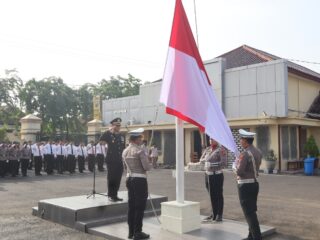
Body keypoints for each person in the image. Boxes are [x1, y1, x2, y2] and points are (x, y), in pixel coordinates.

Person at [122, 128, 151, 240]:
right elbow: (147, 167)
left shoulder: (125, 151)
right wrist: (148, 159)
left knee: (131, 206)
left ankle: (131, 232)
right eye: (141, 138)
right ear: (136, 139)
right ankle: (138, 232)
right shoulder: (140, 151)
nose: (142, 140)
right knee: (140, 207)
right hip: (140, 180)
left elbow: (125, 167)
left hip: (129, 178)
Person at [235, 129, 262, 240]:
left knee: (249, 213)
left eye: (241, 139)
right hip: (254, 183)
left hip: (245, 185)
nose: (240, 141)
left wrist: (234, 166)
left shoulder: (245, 154)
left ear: (245, 141)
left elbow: (239, 171)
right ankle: (251, 235)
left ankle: (256, 236)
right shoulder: (258, 151)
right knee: (252, 210)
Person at [100, 117, 125, 202]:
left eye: (119, 125)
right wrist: (109, 131)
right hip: (111, 160)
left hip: (119, 160)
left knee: (118, 178)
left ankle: (115, 194)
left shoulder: (121, 135)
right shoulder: (108, 134)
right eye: (116, 125)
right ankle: (110, 195)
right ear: (112, 125)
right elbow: (101, 140)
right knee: (111, 178)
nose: (118, 127)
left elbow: (123, 148)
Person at [201, 138, 226, 222]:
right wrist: (203, 162)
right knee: (211, 195)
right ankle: (213, 213)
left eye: (213, 139)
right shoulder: (207, 149)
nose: (211, 141)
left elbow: (223, 163)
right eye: (210, 139)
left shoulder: (221, 150)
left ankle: (219, 214)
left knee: (218, 195)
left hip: (217, 175)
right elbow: (201, 159)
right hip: (208, 175)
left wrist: (211, 164)